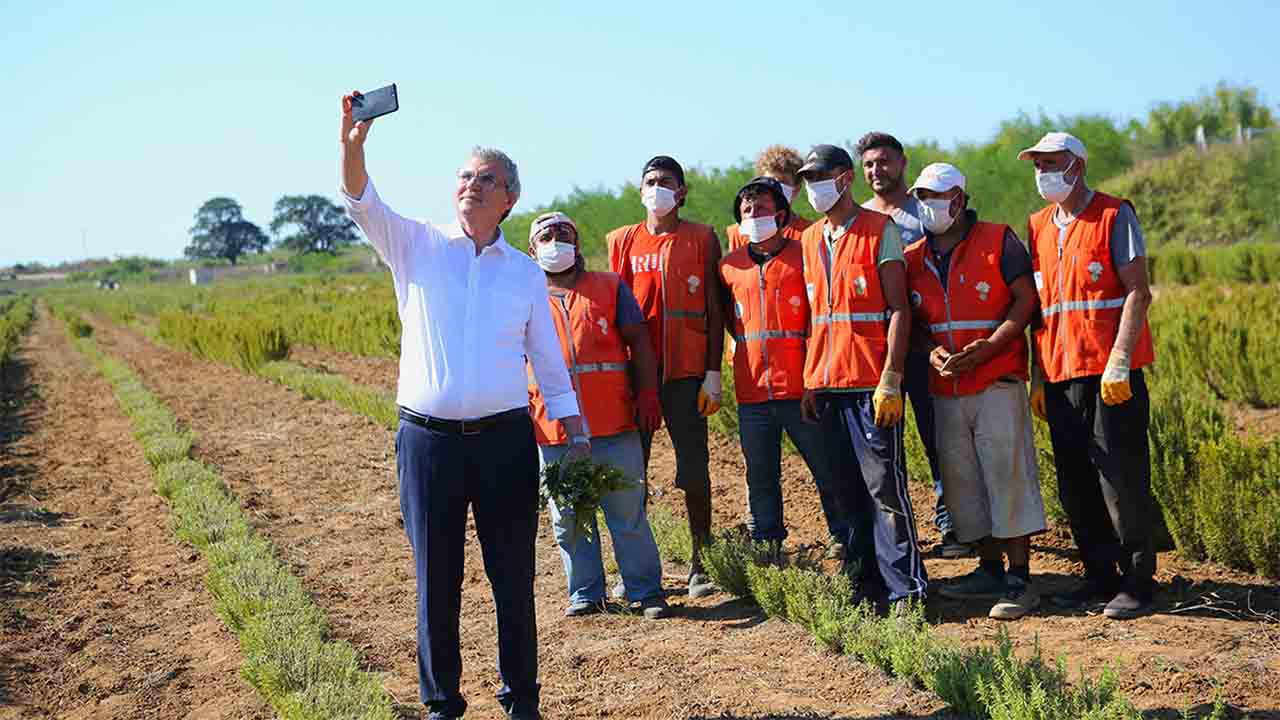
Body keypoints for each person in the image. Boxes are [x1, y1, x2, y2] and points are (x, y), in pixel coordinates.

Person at [340, 91, 587, 720]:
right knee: (436, 581)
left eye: (486, 179)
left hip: (505, 441)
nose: (471, 185)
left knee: (513, 578)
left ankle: (521, 699)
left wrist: (572, 424)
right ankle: (442, 704)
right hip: (427, 443)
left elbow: (547, 359)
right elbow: (361, 201)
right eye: (464, 176)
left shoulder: (525, 272)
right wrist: (352, 144)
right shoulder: (416, 246)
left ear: (510, 198)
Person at [1019, 132, 1158, 620]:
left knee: (1120, 478)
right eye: (1037, 165)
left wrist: (1120, 358)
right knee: (1075, 481)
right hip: (1059, 372)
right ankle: (1099, 575)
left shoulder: (1114, 214)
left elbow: (1137, 291)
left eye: (1051, 163)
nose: (1042, 173)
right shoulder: (1038, 226)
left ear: (1076, 165)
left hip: (1108, 374)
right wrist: (1038, 377)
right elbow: (1042, 309)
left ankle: (1139, 580)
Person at [902, 163, 1047, 620]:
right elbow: (915, 323)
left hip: (996, 379)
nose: (928, 204)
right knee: (964, 482)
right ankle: (988, 566)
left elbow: (1026, 299)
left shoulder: (998, 241)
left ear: (960, 200)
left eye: (936, 196)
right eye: (921, 196)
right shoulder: (912, 258)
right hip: (945, 386)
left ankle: (1020, 577)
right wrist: (929, 354)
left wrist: (992, 346)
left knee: (1007, 475)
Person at [795, 144, 928, 607]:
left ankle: (906, 592)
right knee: (843, 493)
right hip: (826, 385)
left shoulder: (879, 230)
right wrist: (810, 380)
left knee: (884, 491)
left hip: (870, 385)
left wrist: (891, 378)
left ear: (845, 178)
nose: (813, 187)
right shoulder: (811, 240)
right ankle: (862, 589)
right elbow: (816, 316)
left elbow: (897, 310)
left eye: (820, 177)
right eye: (807, 180)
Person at [525, 211, 672, 621]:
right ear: (532, 249)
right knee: (569, 516)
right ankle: (587, 593)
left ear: (577, 243)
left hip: (613, 422)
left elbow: (638, 340)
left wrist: (647, 392)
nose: (557, 242)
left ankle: (646, 591)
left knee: (627, 512)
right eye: (547, 236)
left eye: (564, 234)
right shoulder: (522, 296)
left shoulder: (609, 287)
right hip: (554, 430)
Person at [608, 155, 725, 599]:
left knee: (694, 469)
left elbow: (714, 310)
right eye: (650, 181)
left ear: (681, 193)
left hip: (687, 374)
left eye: (666, 182)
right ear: (641, 191)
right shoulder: (622, 241)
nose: (657, 188)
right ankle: (633, 569)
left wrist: (713, 372)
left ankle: (702, 562)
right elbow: (613, 308)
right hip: (637, 377)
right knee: (629, 471)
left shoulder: (700, 238)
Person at [719, 177, 847, 557]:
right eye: (747, 210)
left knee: (825, 467)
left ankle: (843, 536)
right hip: (752, 389)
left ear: (781, 213)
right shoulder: (728, 267)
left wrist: (816, 378)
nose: (754, 215)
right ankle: (767, 542)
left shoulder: (806, 253)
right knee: (760, 473)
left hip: (802, 387)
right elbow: (729, 320)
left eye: (761, 208)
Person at [855, 132, 965, 559]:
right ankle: (893, 532)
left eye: (884, 162)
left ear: (902, 164)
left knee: (939, 436)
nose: (876, 171)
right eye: (868, 164)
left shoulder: (924, 213)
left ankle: (952, 522)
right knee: (883, 445)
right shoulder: (860, 218)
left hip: (928, 345)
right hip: (875, 348)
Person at [725, 146, 814, 251]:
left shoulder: (808, 232)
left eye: (783, 181)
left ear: (796, 189)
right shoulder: (739, 232)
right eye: (770, 181)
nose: (775, 187)